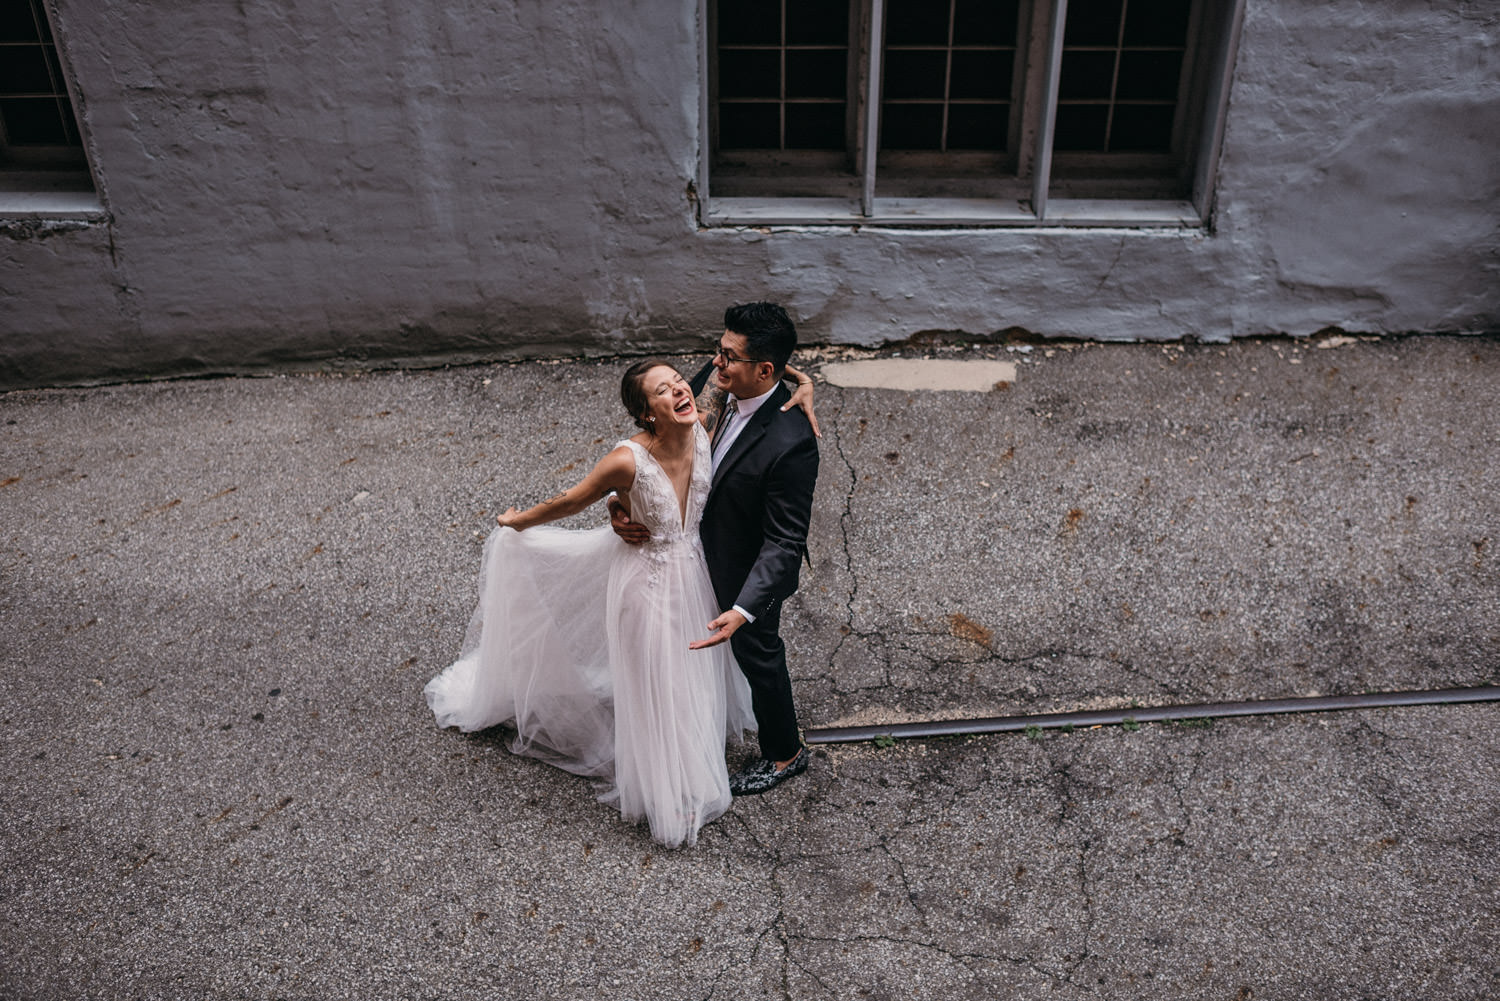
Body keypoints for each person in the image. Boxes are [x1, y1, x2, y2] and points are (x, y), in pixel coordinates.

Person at [424, 360, 756, 848]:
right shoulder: (626, 460)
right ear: (647, 414)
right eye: (664, 391)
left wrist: (803, 382)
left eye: (679, 382)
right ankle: (669, 790)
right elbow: (571, 500)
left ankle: (690, 758)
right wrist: (518, 522)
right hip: (646, 582)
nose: (681, 391)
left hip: (693, 572)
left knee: (691, 671)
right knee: (658, 680)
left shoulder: (703, 422)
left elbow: (740, 361)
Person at [610, 302, 819, 796]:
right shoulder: (728, 384)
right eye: (718, 352)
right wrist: (625, 506)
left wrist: (745, 608)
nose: (713, 366)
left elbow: (786, 540)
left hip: (746, 572)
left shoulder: (792, 442)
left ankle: (786, 753)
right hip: (695, 547)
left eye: (727, 358)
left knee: (758, 652)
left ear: (762, 371)